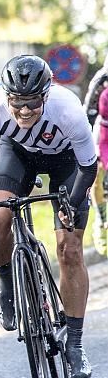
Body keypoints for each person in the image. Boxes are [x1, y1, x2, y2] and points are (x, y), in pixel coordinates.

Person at [0, 54, 96, 378]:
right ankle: (9, 288)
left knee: (69, 249)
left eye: (32, 103)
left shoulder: (67, 109)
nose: (24, 111)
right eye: (17, 103)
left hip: (69, 162)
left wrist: (70, 203)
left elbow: (89, 166)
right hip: (17, 154)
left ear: (46, 94)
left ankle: (75, 344)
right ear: (6, 96)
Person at [84, 62, 108, 254]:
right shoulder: (101, 82)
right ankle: (101, 218)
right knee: (98, 174)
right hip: (102, 132)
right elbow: (86, 115)